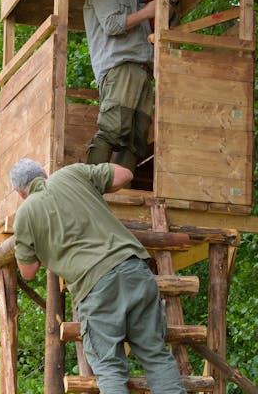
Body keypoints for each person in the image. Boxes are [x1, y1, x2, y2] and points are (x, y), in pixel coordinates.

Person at [10, 158, 186, 394]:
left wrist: (46, 243)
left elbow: (28, 271)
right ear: (44, 172)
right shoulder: (71, 173)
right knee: (155, 355)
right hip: (134, 268)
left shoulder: (25, 214)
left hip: (95, 286)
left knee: (109, 367)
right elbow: (124, 174)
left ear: (20, 192)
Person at [82, 0, 188, 170]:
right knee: (113, 129)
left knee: (136, 142)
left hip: (142, 71)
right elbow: (111, 25)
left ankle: (118, 193)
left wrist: (171, 0)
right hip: (120, 69)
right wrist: (146, 12)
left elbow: (150, 26)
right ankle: (88, 189)